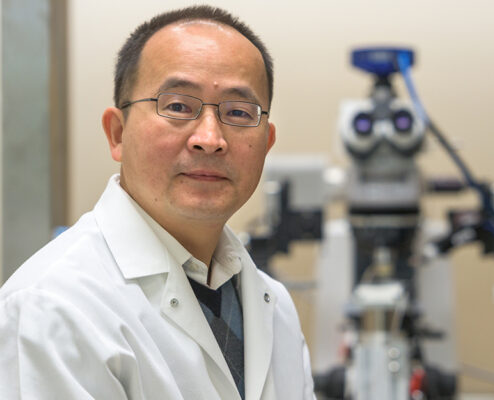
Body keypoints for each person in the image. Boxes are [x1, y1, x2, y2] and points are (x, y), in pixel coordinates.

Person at [0, 5, 315, 400]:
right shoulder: (53, 309)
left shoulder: (275, 307)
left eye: (237, 112)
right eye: (179, 106)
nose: (210, 138)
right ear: (117, 133)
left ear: (266, 144)